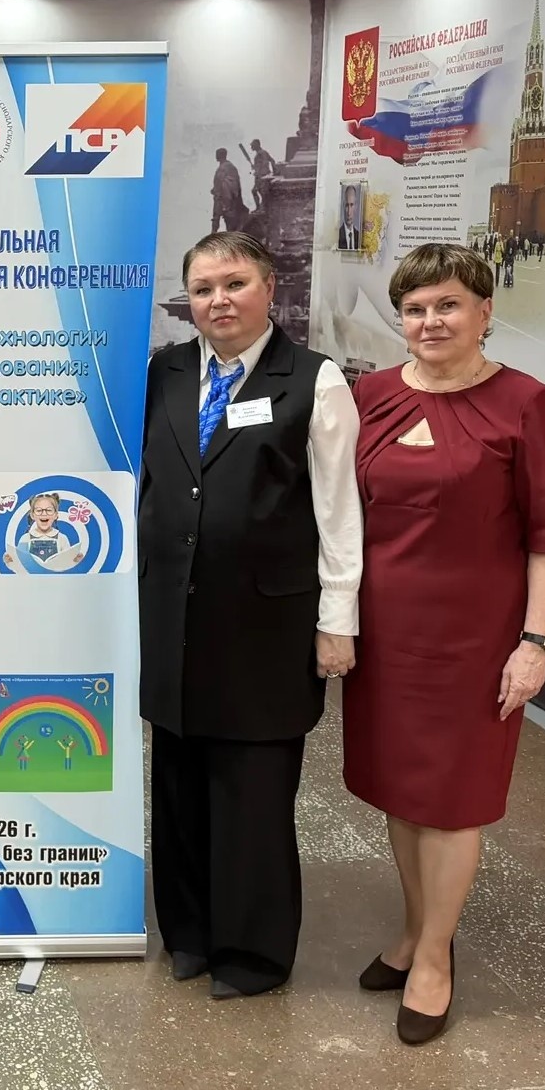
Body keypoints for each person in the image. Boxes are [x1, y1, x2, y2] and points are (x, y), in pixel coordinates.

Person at [345, 243, 545, 1046]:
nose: (429, 321)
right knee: (401, 790)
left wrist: (533, 642)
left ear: (483, 312)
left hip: (474, 638)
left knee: (452, 800)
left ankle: (435, 957)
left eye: (446, 305)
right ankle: (413, 928)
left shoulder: (524, 402)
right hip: (384, 632)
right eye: (413, 308)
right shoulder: (371, 394)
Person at [139, 230, 363, 999]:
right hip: (172, 619)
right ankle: (189, 934)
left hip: (265, 625)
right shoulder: (164, 372)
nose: (218, 300)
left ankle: (253, 952)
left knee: (252, 794)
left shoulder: (313, 379)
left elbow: (339, 509)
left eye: (233, 283)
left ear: (269, 286)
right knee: (178, 787)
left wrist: (337, 618)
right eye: (202, 288)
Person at [0, 490, 87, 573]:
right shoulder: (25, 538)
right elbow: (20, 566)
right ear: (32, 515)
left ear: (56, 515)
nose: (44, 513)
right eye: (39, 510)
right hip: (31, 582)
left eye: (49, 510)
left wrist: (75, 561)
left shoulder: (62, 538)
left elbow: (66, 566)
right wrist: (10, 562)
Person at [211, 148, 246, 232]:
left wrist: (218, 190)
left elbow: (228, 182)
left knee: (224, 218)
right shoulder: (227, 166)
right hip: (223, 196)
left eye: (217, 154)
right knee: (220, 218)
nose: (216, 156)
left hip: (225, 197)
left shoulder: (226, 167)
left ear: (221, 155)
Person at [337, 185, 363, 251]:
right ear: (343, 206)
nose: (349, 212)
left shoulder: (359, 237)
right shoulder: (337, 235)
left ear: (356, 207)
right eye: (346, 205)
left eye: (351, 205)